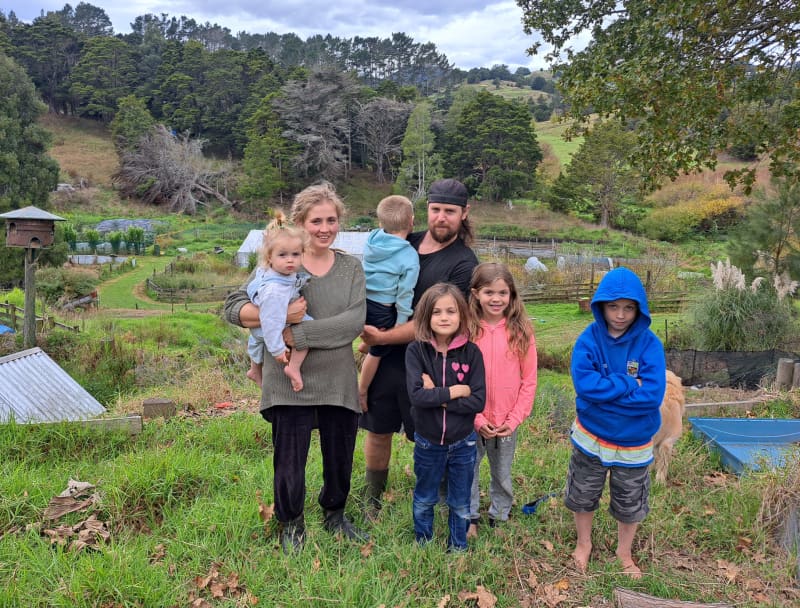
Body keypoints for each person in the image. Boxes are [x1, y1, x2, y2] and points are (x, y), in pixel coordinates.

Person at [223, 182, 368, 553]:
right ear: (300, 223)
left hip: (336, 378)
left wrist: (295, 334)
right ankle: (291, 523)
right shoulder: (280, 262)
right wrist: (277, 315)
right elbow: (233, 307)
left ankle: (334, 513)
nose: (324, 228)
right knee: (289, 460)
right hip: (288, 382)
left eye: (331, 220)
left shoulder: (351, 267)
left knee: (340, 456)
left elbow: (352, 323)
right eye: (316, 220)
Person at [359, 178, 479, 521]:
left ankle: (433, 500)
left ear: (464, 213)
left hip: (430, 363)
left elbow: (435, 321)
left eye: (450, 212)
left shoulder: (463, 263)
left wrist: (380, 339)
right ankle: (373, 498)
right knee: (378, 429)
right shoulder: (402, 241)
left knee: (428, 436)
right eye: (436, 210)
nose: (442, 218)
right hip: (385, 361)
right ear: (425, 212)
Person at [565, 266, 666, 578]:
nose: (620, 315)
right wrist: (625, 383)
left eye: (628, 307)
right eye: (613, 306)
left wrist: (605, 396)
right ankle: (584, 545)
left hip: (634, 443)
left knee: (630, 502)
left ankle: (624, 553)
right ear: (601, 306)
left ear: (639, 309)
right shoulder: (589, 340)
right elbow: (585, 387)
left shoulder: (650, 345)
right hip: (591, 436)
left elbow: (651, 395)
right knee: (583, 495)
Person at [405, 282, 485, 551]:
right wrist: (454, 392)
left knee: (460, 501)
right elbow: (416, 397)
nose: (444, 317)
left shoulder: (472, 353)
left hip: (463, 442)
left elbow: (477, 400)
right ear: (426, 316)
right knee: (425, 497)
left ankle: (458, 547)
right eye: (437, 312)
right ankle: (423, 544)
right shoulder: (416, 351)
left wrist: (437, 397)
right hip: (428, 441)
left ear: (461, 314)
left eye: (451, 311)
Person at [466, 262, 537, 538]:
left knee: (502, 471)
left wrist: (515, 418)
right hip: (473, 419)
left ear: (511, 295)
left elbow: (529, 380)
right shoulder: (467, 330)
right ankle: (469, 516)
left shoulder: (521, 331)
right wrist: (475, 417)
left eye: (502, 293)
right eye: (489, 292)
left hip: (508, 420)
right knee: (468, 470)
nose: (496, 299)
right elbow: (459, 379)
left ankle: (500, 515)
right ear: (475, 294)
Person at [358, 195, 420, 411]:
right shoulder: (409, 255)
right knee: (379, 351)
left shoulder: (372, 240)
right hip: (382, 308)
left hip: (361, 301)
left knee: (372, 338)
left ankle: (366, 341)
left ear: (380, 223)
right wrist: (401, 322)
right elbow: (405, 292)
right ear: (411, 221)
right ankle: (362, 390)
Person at [245, 212, 312, 391]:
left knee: (255, 342)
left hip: (260, 330)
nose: (290, 259)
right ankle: (294, 368)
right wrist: (277, 348)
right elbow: (272, 319)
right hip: (273, 328)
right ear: (270, 258)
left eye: (295, 254)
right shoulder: (275, 289)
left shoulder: (268, 273)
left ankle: (254, 370)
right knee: (308, 331)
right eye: (283, 255)